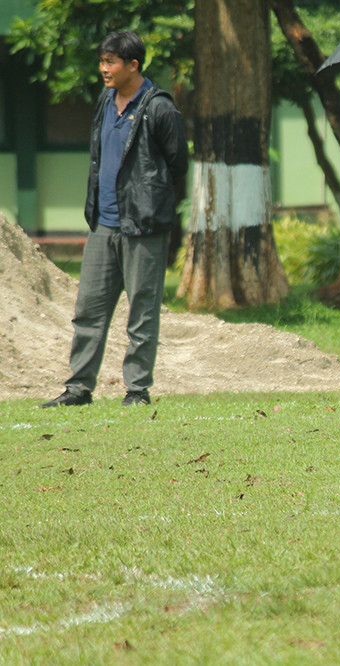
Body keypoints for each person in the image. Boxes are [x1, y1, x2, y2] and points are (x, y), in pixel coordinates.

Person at [41, 31, 188, 408]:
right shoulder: (105, 101)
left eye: (111, 62)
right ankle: (79, 388)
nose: (103, 69)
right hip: (103, 225)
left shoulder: (159, 107)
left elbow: (178, 165)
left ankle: (137, 389)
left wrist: (150, 202)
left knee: (142, 311)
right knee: (88, 310)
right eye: (102, 61)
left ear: (133, 65)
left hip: (143, 226)